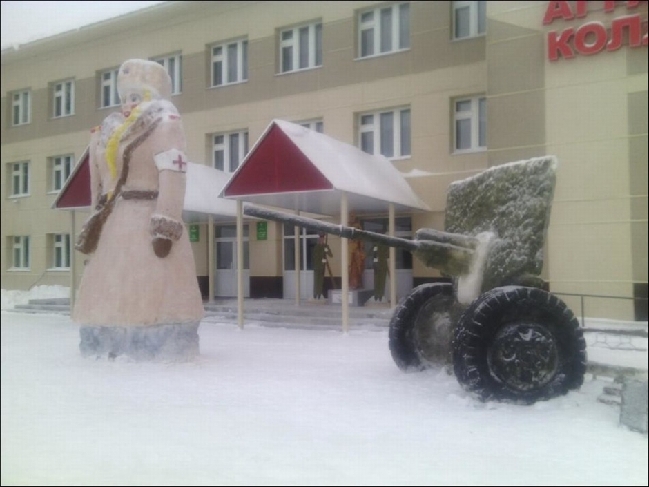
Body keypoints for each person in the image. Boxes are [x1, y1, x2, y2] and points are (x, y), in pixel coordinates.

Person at [72, 59, 204, 361]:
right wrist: (94, 224)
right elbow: (99, 186)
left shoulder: (166, 124)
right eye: (125, 97)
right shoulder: (107, 133)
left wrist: (165, 224)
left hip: (147, 217)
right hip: (113, 223)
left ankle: (164, 342)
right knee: (108, 288)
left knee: (151, 289)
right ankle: (103, 340)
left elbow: (173, 174)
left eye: (136, 96)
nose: (128, 104)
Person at [312, 233, 333, 299]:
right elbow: (314, 256)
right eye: (320, 239)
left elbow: (331, 255)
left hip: (322, 267)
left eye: (322, 239)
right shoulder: (316, 247)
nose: (321, 240)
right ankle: (315, 293)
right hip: (316, 266)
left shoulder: (325, 246)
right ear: (319, 239)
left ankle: (319, 294)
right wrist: (322, 260)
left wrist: (327, 250)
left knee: (320, 281)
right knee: (316, 281)